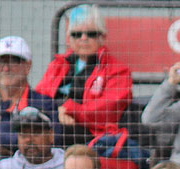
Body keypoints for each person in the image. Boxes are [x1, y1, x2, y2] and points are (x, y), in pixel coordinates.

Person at [35, 4, 132, 145]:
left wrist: (69, 110)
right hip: (54, 128)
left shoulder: (117, 71)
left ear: (102, 37)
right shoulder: (58, 65)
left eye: (91, 34)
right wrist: (57, 113)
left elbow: (106, 110)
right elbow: (39, 97)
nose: (83, 38)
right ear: (69, 38)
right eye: (77, 34)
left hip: (93, 135)